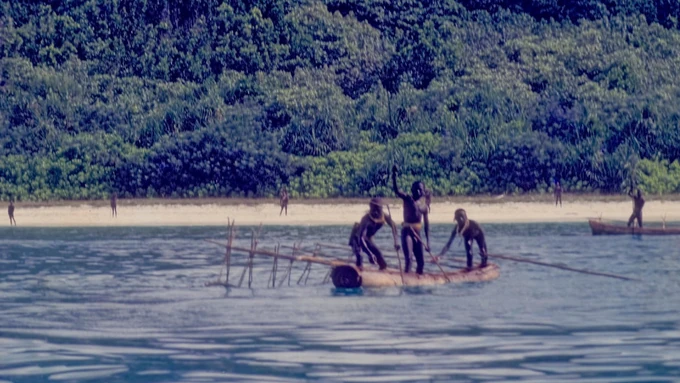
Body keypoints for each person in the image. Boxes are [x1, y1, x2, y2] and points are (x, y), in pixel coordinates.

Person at [391, 165, 429, 274]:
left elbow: (426, 225)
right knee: (409, 259)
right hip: (407, 232)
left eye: (420, 190)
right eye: (415, 189)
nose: (417, 191)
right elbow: (397, 190)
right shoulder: (408, 199)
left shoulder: (424, 206)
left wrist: (428, 242)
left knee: (421, 263)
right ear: (412, 190)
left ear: (423, 192)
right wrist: (394, 175)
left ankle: (418, 282)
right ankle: (407, 281)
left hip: (418, 234)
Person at [348, 198, 400, 270]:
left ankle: (381, 275)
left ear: (381, 208)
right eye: (373, 208)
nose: (375, 211)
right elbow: (361, 238)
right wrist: (370, 254)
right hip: (357, 238)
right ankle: (358, 273)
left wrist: (396, 242)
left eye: (377, 209)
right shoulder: (366, 219)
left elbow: (393, 226)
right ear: (370, 207)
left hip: (368, 239)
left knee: (382, 261)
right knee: (360, 256)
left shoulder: (384, 216)